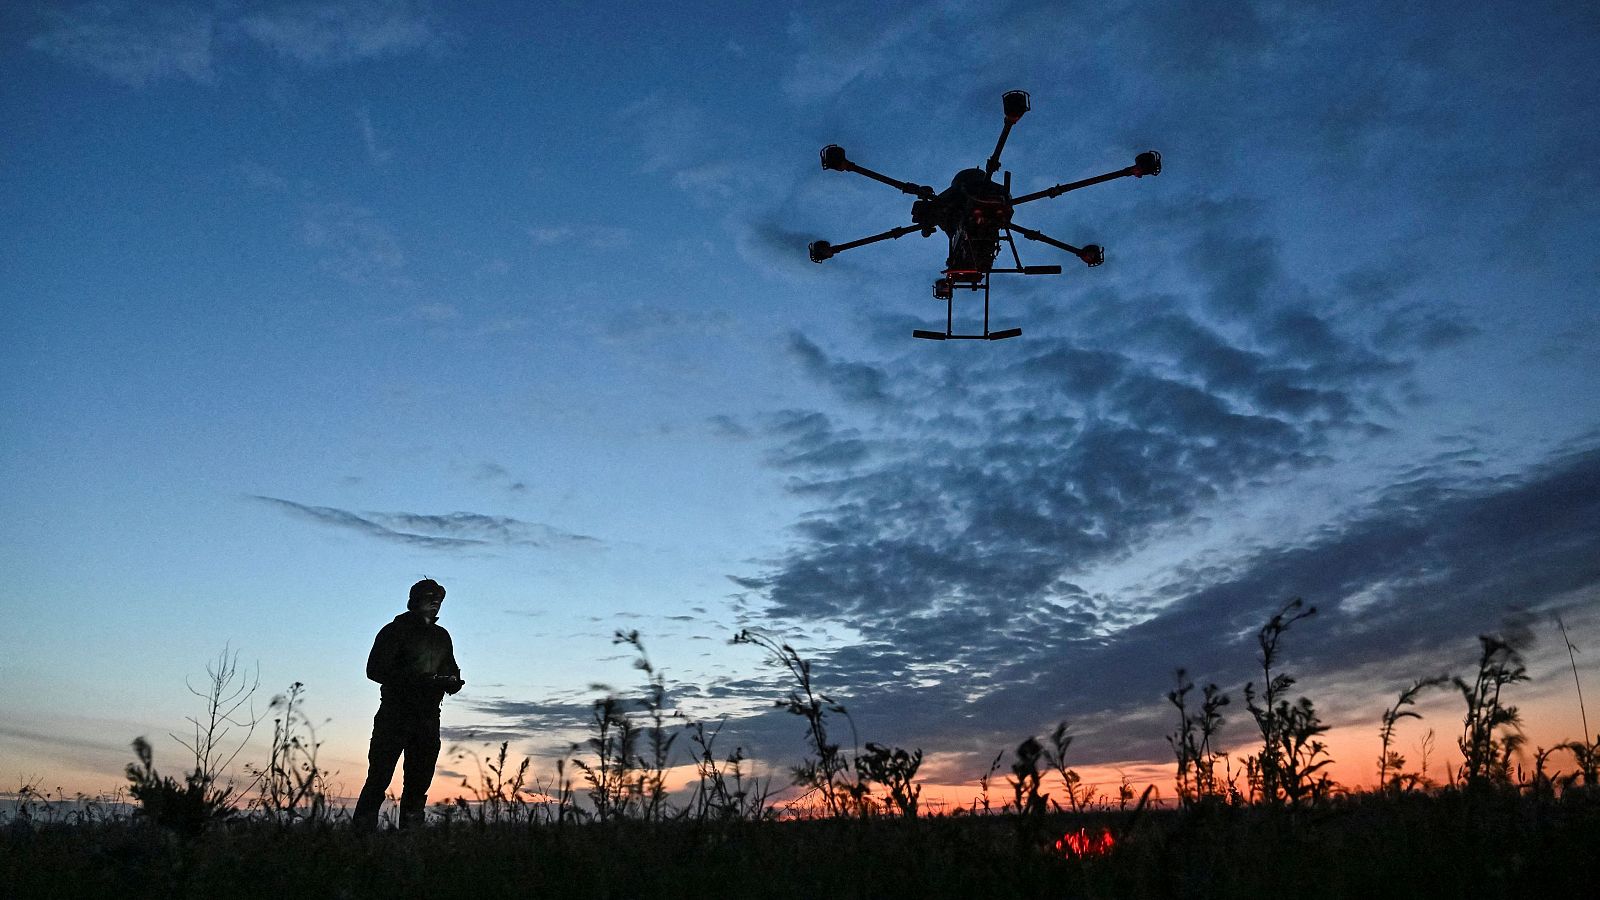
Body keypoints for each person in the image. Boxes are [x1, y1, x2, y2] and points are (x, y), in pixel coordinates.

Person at [351, 578, 464, 830]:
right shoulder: (394, 630)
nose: (435, 601)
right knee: (379, 778)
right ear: (414, 600)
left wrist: (452, 681)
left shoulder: (441, 636)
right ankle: (360, 836)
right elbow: (374, 670)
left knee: (419, 783)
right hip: (394, 715)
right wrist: (415, 680)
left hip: (427, 719)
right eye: (429, 596)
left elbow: (451, 669)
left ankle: (410, 838)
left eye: (439, 598)